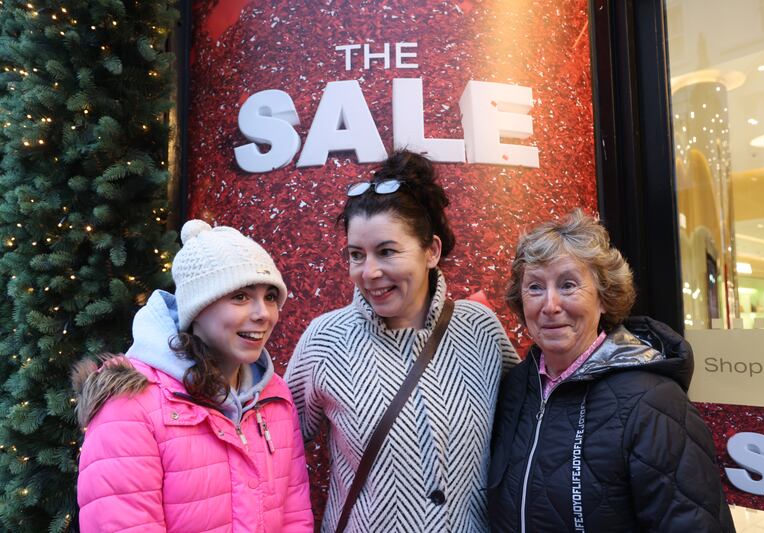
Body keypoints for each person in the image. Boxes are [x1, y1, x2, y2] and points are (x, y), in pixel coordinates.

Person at [285, 150, 520, 532]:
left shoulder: (481, 329)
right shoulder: (326, 340)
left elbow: (529, 421)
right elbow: (274, 442)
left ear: (432, 251)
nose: (370, 272)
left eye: (387, 251)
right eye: (356, 255)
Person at [488, 210, 735, 532]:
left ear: (604, 297)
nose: (549, 305)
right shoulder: (515, 389)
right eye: (535, 287)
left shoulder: (655, 402)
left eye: (568, 285)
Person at [73, 220, 314, 532]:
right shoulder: (131, 405)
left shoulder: (273, 395)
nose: (263, 314)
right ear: (197, 309)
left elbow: (294, 517)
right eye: (240, 296)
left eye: (270, 296)